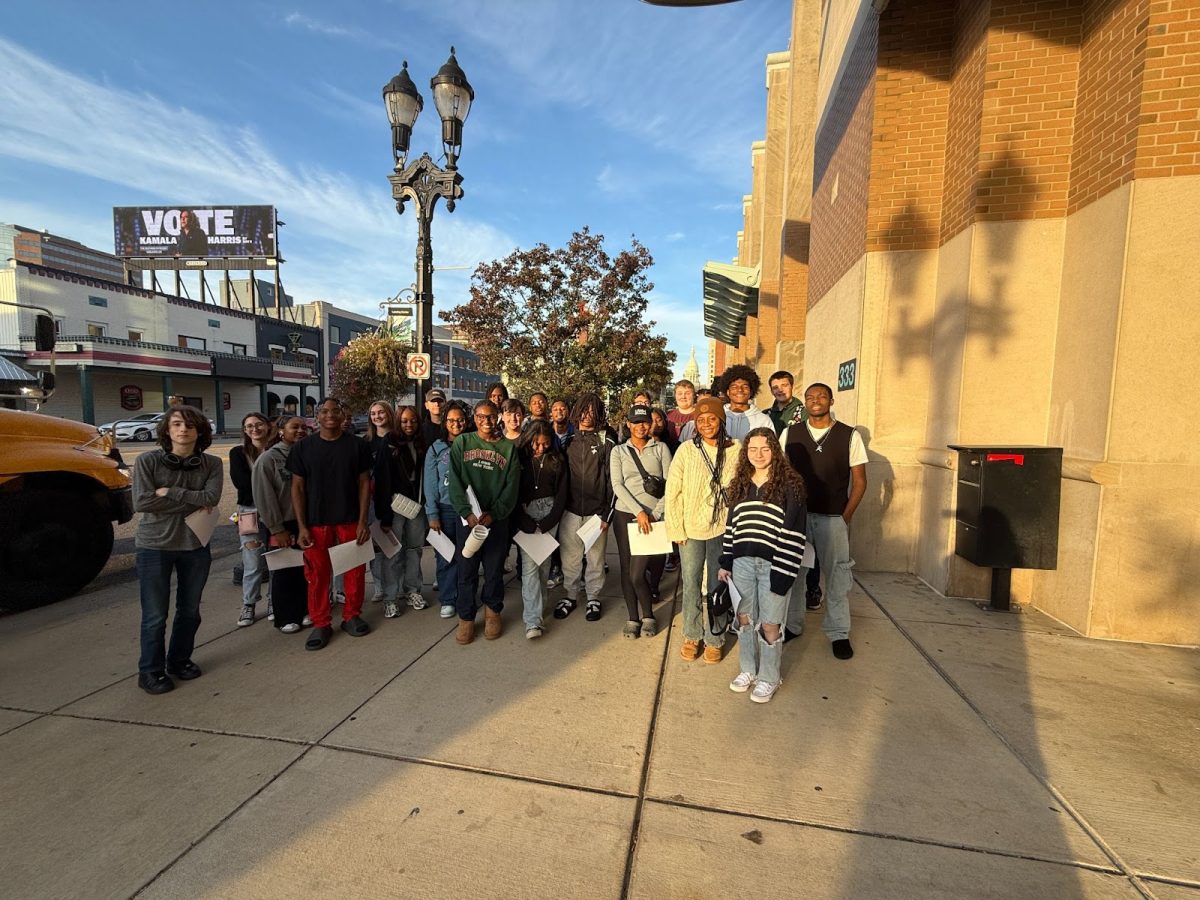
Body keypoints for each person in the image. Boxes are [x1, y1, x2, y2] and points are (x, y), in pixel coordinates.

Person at [132, 405, 223, 694]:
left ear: (200, 431)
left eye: (190, 425)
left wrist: (170, 491)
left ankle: (180, 660)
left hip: (195, 544)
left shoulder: (211, 464)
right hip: (154, 546)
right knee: (155, 615)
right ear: (167, 430)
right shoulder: (148, 462)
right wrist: (194, 500)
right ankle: (150, 670)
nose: (183, 430)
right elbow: (143, 502)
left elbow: (212, 497)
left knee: (190, 610)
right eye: (176, 424)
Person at [718, 427, 808, 703]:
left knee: (770, 624)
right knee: (744, 619)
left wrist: (784, 571)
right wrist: (726, 561)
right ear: (746, 452)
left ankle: (769, 676)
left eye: (765, 449)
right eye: (753, 449)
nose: (759, 454)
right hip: (743, 562)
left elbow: (795, 532)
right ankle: (748, 670)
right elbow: (731, 525)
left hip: (774, 563)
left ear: (775, 451)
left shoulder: (791, 485)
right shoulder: (741, 482)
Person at [782, 383, 867, 660]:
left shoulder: (848, 435)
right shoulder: (791, 433)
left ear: (831, 400)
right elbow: (780, 475)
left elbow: (860, 481)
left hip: (833, 519)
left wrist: (845, 517)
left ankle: (839, 632)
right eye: (810, 397)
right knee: (795, 575)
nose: (815, 400)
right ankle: (793, 625)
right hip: (799, 517)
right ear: (804, 402)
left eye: (821, 396)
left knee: (838, 577)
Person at [288, 397, 373, 651]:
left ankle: (352, 615)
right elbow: (297, 488)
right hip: (316, 522)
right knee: (317, 574)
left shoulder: (358, 446)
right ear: (317, 417)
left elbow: (364, 485)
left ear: (343, 415)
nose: (330, 415)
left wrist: (362, 521)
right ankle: (321, 622)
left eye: (335, 411)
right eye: (324, 411)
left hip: (349, 519)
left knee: (355, 571)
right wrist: (301, 526)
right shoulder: (303, 448)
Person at [665, 396, 739, 664]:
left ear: (721, 420)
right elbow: (673, 491)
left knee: (718, 585)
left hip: (722, 527)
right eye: (701, 420)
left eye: (712, 419)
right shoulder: (686, 450)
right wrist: (676, 529)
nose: (707, 424)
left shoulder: (735, 449)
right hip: (691, 528)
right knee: (692, 581)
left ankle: (715, 636)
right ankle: (692, 633)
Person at [449, 400, 521, 644]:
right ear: (474, 418)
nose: (486, 421)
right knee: (466, 570)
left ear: (498, 417)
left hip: (495, 520)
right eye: (481, 417)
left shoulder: (508, 449)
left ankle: (492, 612)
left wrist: (494, 514)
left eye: (491, 417)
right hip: (467, 519)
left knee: (493, 569)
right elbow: (455, 481)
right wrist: (466, 512)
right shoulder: (462, 442)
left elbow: (511, 488)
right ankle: (466, 618)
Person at [610, 403, 672, 638]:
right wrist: (638, 512)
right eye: (635, 422)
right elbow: (617, 485)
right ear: (628, 424)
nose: (641, 426)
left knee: (638, 573)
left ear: (651, 424)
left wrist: (655, 513)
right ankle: (633, 617)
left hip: (654, 516)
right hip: (625, 513)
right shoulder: (619, 451)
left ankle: (649, 615)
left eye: (645, 422)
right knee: (627, 570)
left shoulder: (661, 448)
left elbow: (670, 483)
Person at [556, 392, 615, 623]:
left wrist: (605, 514)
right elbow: (559, 478)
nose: (587, 415)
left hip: (596, 513)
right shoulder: (567, 441)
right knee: (569, 557)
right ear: (576, 412)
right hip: (570, 511)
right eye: (584, 410)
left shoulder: (606, 440)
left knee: (595, 558)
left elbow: (612, 479)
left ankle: (593, 598)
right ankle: (571, 595)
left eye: (592, 410)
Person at [252, 416, 310, 633]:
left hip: (304, 522)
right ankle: (286, 616)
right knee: (285, 571)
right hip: (282, 524)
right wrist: (277, 528)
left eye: (304, 427)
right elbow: (264, 497)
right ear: (281, 431)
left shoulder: (306, 455)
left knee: (305, 570)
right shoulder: (269, 459)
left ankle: (304, 609)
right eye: (295, 427)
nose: (301, 431)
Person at [512, 420, 568, 639]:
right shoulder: (519, 458)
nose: (540, 448)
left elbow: (562, 493)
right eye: (537, 444)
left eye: (545, 444)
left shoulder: (557, 459)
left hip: (549, 511)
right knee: (529, 567)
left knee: (543, 565)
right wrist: (522, 519)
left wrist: (550, 520)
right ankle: (533, 621)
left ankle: (538, 607)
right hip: (525, 511)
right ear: (529, 439)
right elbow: (512, 490)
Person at [374, 405, 429, 618]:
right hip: (394, 506)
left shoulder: (422, 443)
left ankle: (413, 590)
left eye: (413, 420)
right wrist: (384, 516)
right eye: (405, 421)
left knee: (415, 549)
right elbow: (381, 479)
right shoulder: (389, 443)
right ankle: (390, 597)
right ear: (398, 421)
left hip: (416, 505)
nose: (409, 425)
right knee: (394, 552)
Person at [424, 403, 469, 619]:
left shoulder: (472, 444)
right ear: (444, 423)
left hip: (469, 510)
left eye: (460, 419)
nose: (456, 424)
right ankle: (448, 598)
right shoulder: (436, 448)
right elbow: (430, 484)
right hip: (445, 509)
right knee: (446, 557)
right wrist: (432, 514)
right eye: (451, 420)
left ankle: (465, 597)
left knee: (467, 556)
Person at [229, 412, 272, 627]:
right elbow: (242, 484)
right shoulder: (238, 453)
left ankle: (275, 601)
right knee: (252, 560)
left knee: (277, 559)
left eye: (258, 424)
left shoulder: (276, 450)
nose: (254, 429)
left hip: (276, 513)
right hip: (248, 511)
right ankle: (249, 604)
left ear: (267, 426)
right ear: (245, 431)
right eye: (249, 426)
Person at [678, 365, 772, 442]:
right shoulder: (715, 416)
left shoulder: (763, 420)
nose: (740, 390)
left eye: (745, 387)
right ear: (727, 392)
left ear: (751, 391)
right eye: (734, 387)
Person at [365, 400, 397, 604]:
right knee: (376, 546)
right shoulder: (366, 442)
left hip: (397, 498)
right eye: (373, 413)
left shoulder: (399, 438)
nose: (377, 416)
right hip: (373, 500)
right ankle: (379, 586)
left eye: (381, 412)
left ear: (389, 414)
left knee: (395, 545)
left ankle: (397, 584)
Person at [766, 370, 806, 435]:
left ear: (792, 386)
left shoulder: (804, 413)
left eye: (784, 385)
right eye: (775, 387)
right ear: (771, 391)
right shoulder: (765, 415)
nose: (780, 390)